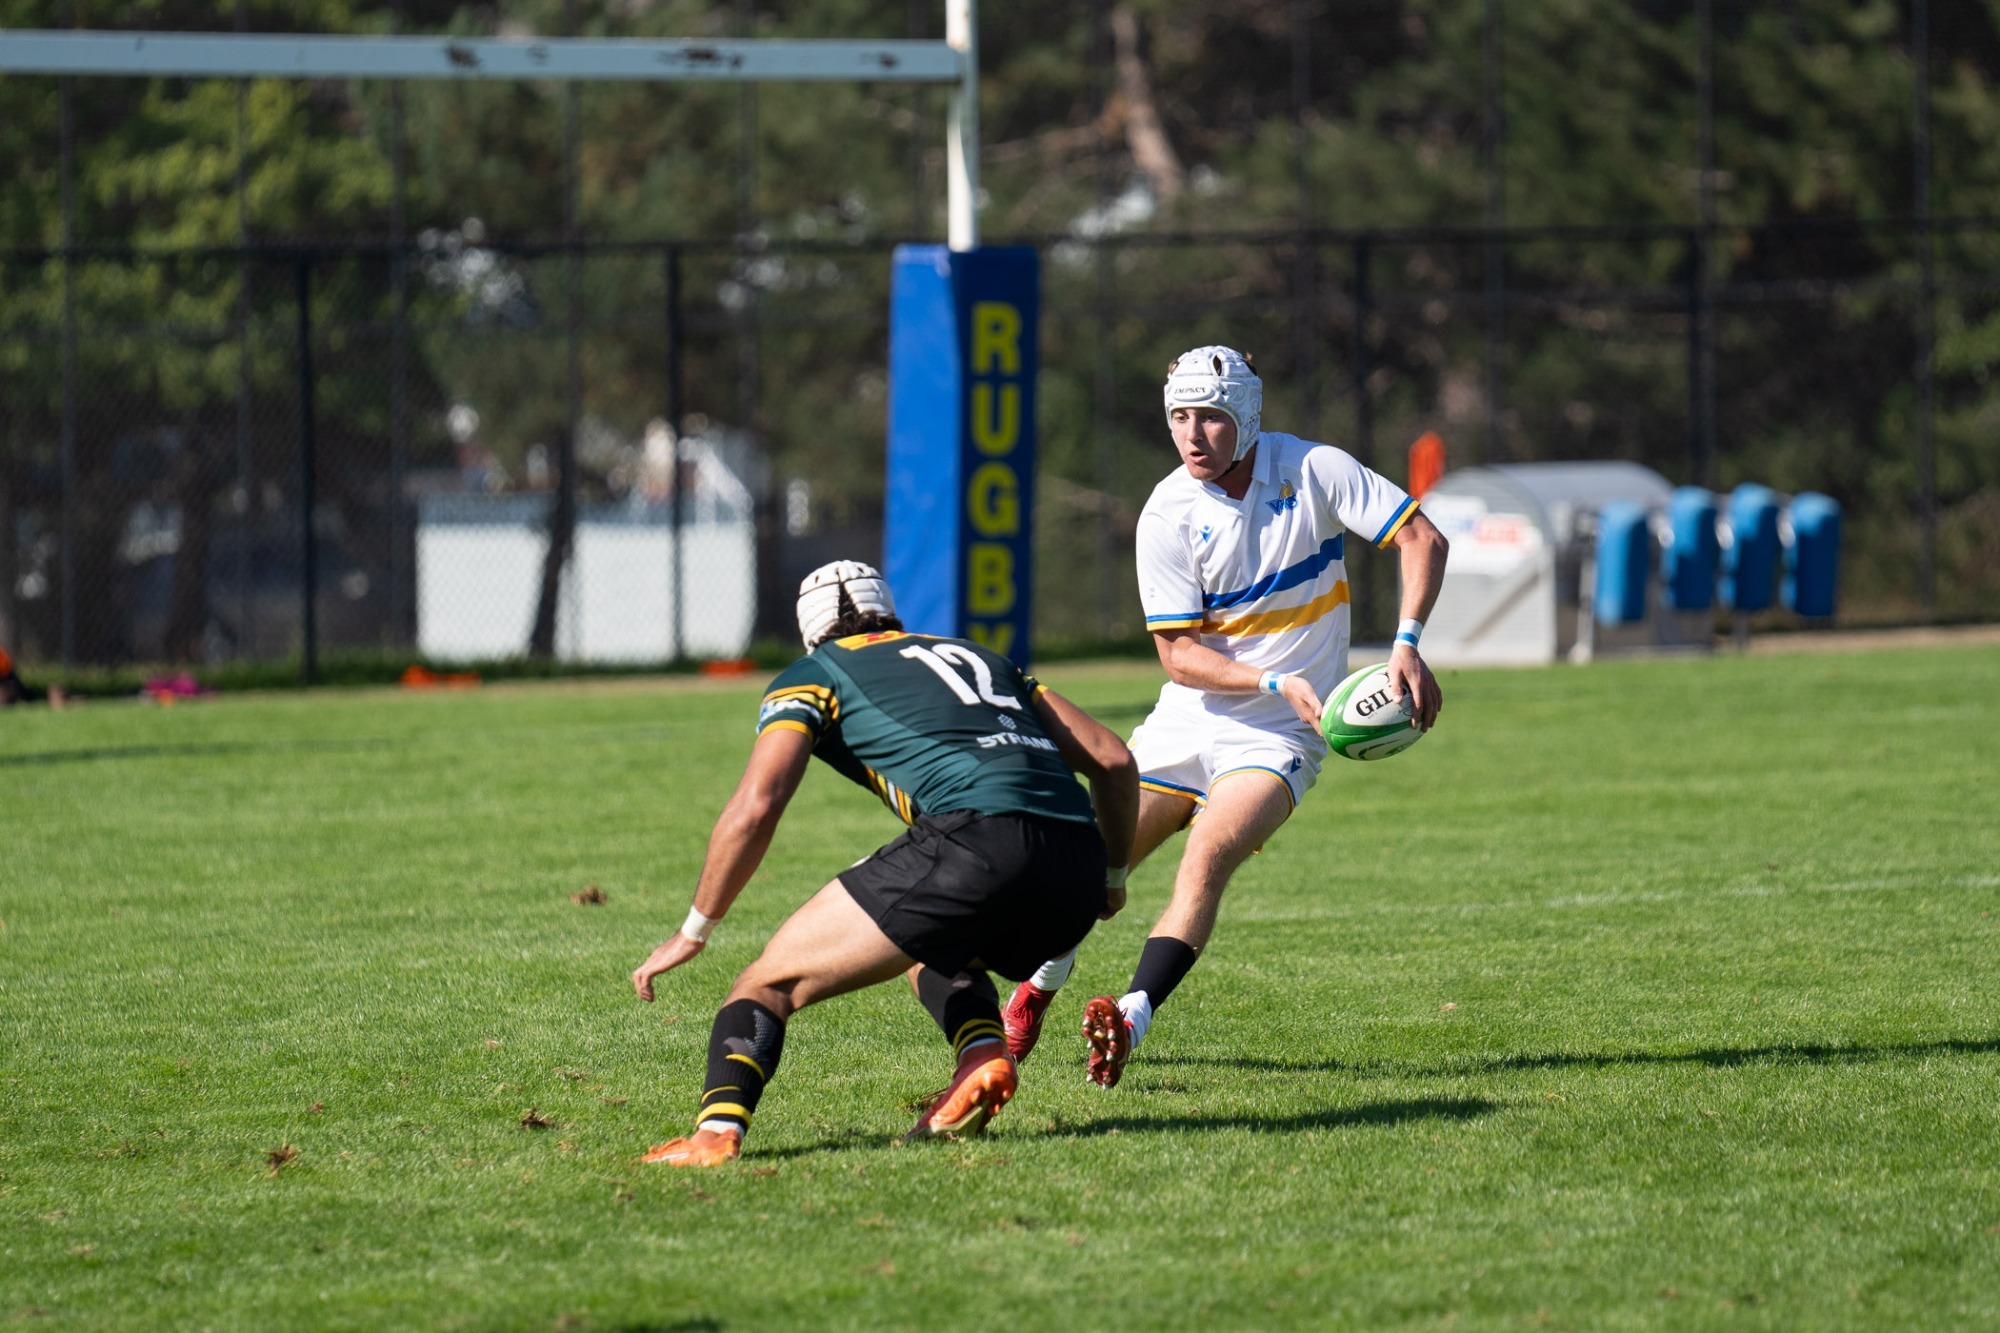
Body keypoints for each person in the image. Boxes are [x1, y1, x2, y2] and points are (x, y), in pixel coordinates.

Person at [1001, 345, 1449, 1087]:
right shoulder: (1166, 512)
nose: (1192, 434)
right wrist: (1274, 678)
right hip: (1190, 717)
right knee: (1091, 868)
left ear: (1247, 416)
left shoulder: (1313, 470)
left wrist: (1407, 642)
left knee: (1207, 855)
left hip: (1282, 733)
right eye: (1179, 417)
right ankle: (1037, 989)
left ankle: (1131, 1016)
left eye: (1209, 417)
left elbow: (1421, 537)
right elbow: (1178, 656)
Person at [630, 560, 1139, 1166]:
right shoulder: (980, 657)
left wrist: (695, 929)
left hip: (977, 842)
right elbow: (1112, 760)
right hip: (1076, 866)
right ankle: (981, 1054)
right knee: (932, 945)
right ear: (891, 615)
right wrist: (1111, 878)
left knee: (765, 984)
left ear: (809, 634)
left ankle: (714, 1136)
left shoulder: (816, 671)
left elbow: (756, 806)